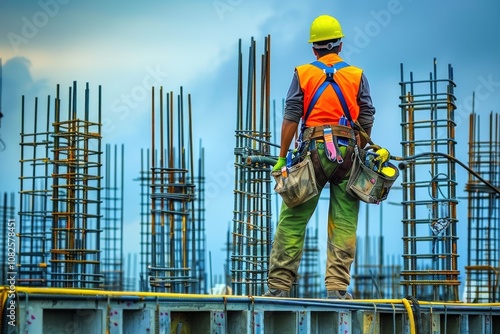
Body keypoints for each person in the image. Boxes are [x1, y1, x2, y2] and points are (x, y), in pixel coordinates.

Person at [264, 14, 376, 299]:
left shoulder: (303, 73)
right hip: (347, 152)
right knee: (344, 221)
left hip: (311, 152)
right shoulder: (356, 75)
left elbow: (291, 116)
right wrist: (360, 149)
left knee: (293, 218)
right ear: (339, 46)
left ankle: (278, 288)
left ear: (314, 49)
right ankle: (337, 290)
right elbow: (367, 114)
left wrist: (281, 157)